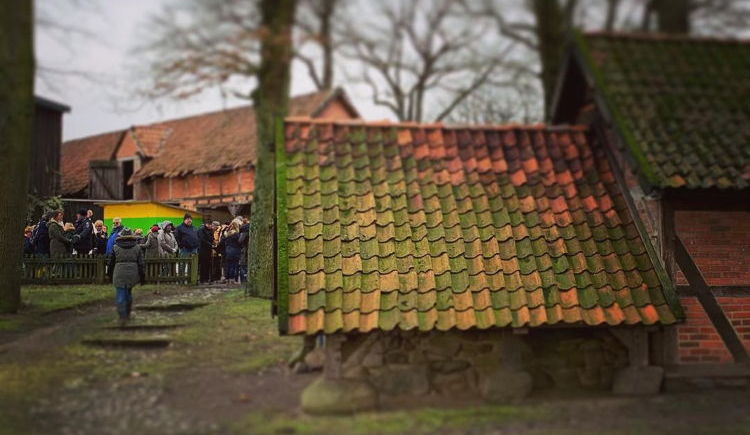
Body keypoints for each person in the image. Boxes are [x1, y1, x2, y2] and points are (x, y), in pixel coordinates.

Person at [107, 228, 145, 326]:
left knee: (120, 294)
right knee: (128, 292)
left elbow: (111, 263)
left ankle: (122, 316)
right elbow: (141, 264)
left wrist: (109, 275)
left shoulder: (115, 247)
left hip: (119, 272)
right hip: (133, 272)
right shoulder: (137, 248)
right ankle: (127, 314)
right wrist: (142, 277)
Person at [218, 219, 242, 284]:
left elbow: (222, 242)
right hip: (235, 251)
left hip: (227, 251)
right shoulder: (237, 234)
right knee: (233, 265)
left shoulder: (227, 233)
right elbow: (240, 242)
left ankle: (227, 278)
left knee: (228, 265)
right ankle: (232, 279)